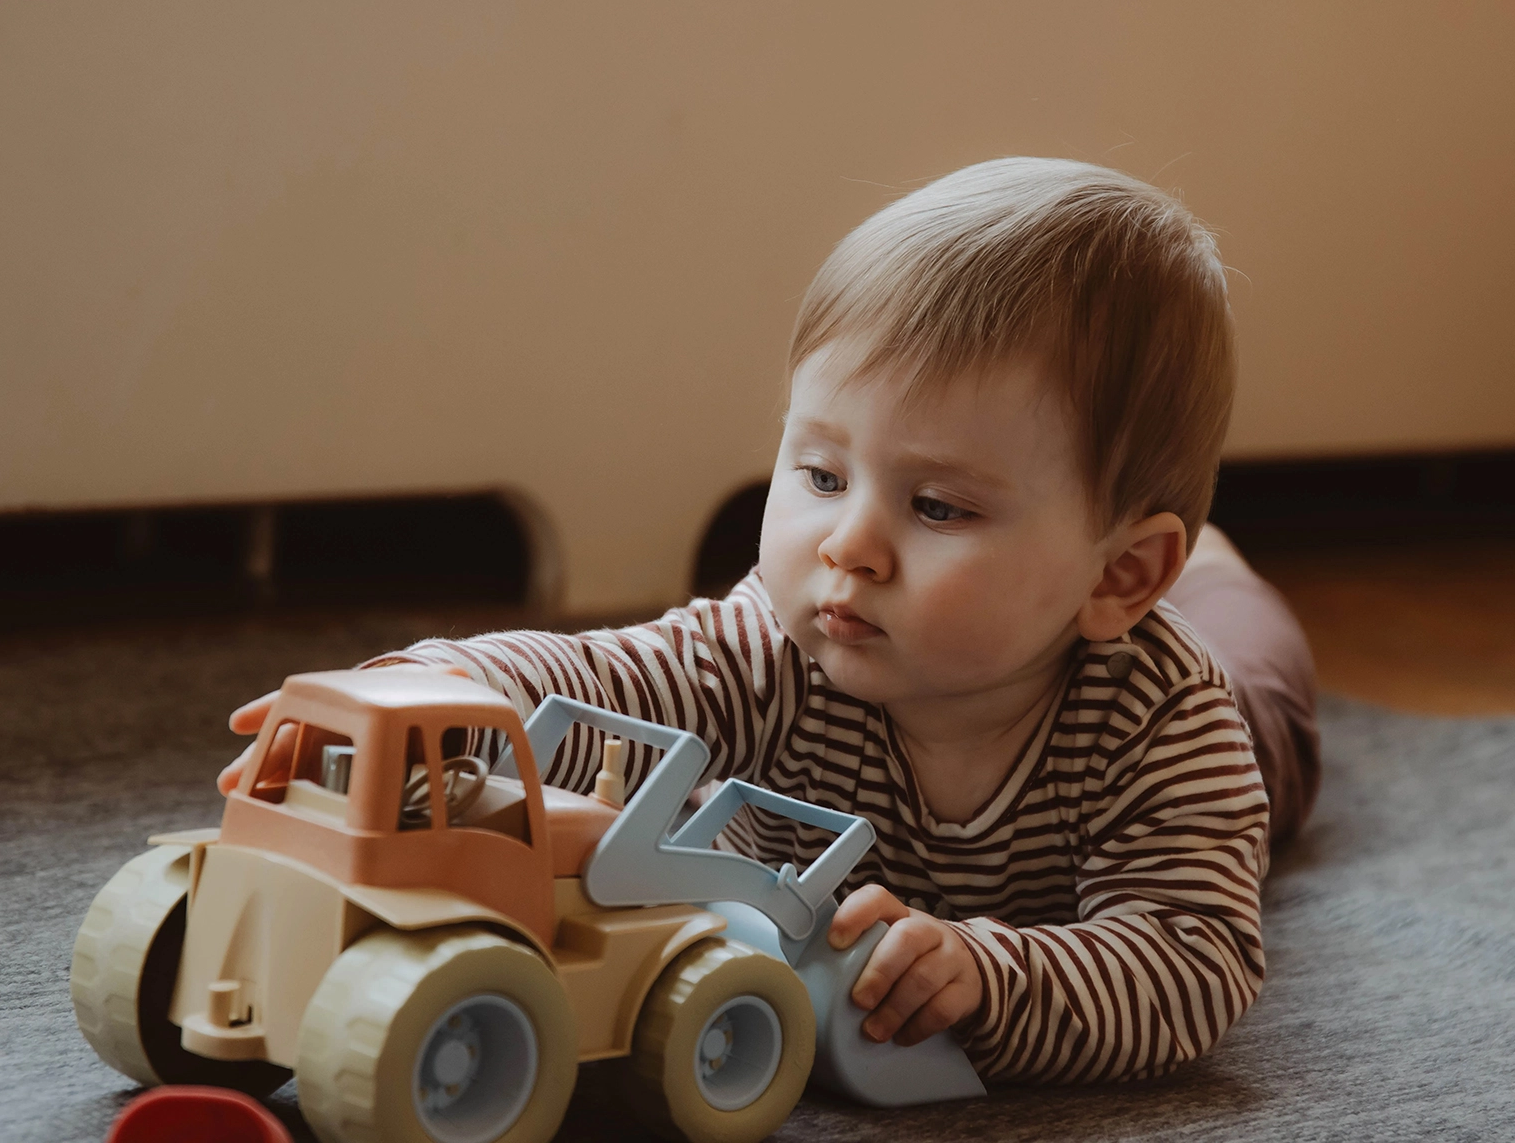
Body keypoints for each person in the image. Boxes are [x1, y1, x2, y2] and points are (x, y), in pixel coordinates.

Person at [221, 157, 1319, 1084]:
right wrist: (437, 685)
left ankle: (1214, 578)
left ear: (1122, 572)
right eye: (822, 473)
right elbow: (595, 676)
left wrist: (992, 973)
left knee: (1258, 662)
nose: (850, 546)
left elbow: (1193, 961)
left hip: (1235, 722)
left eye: (936, 505)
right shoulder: (782, 642)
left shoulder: (1167, 722)